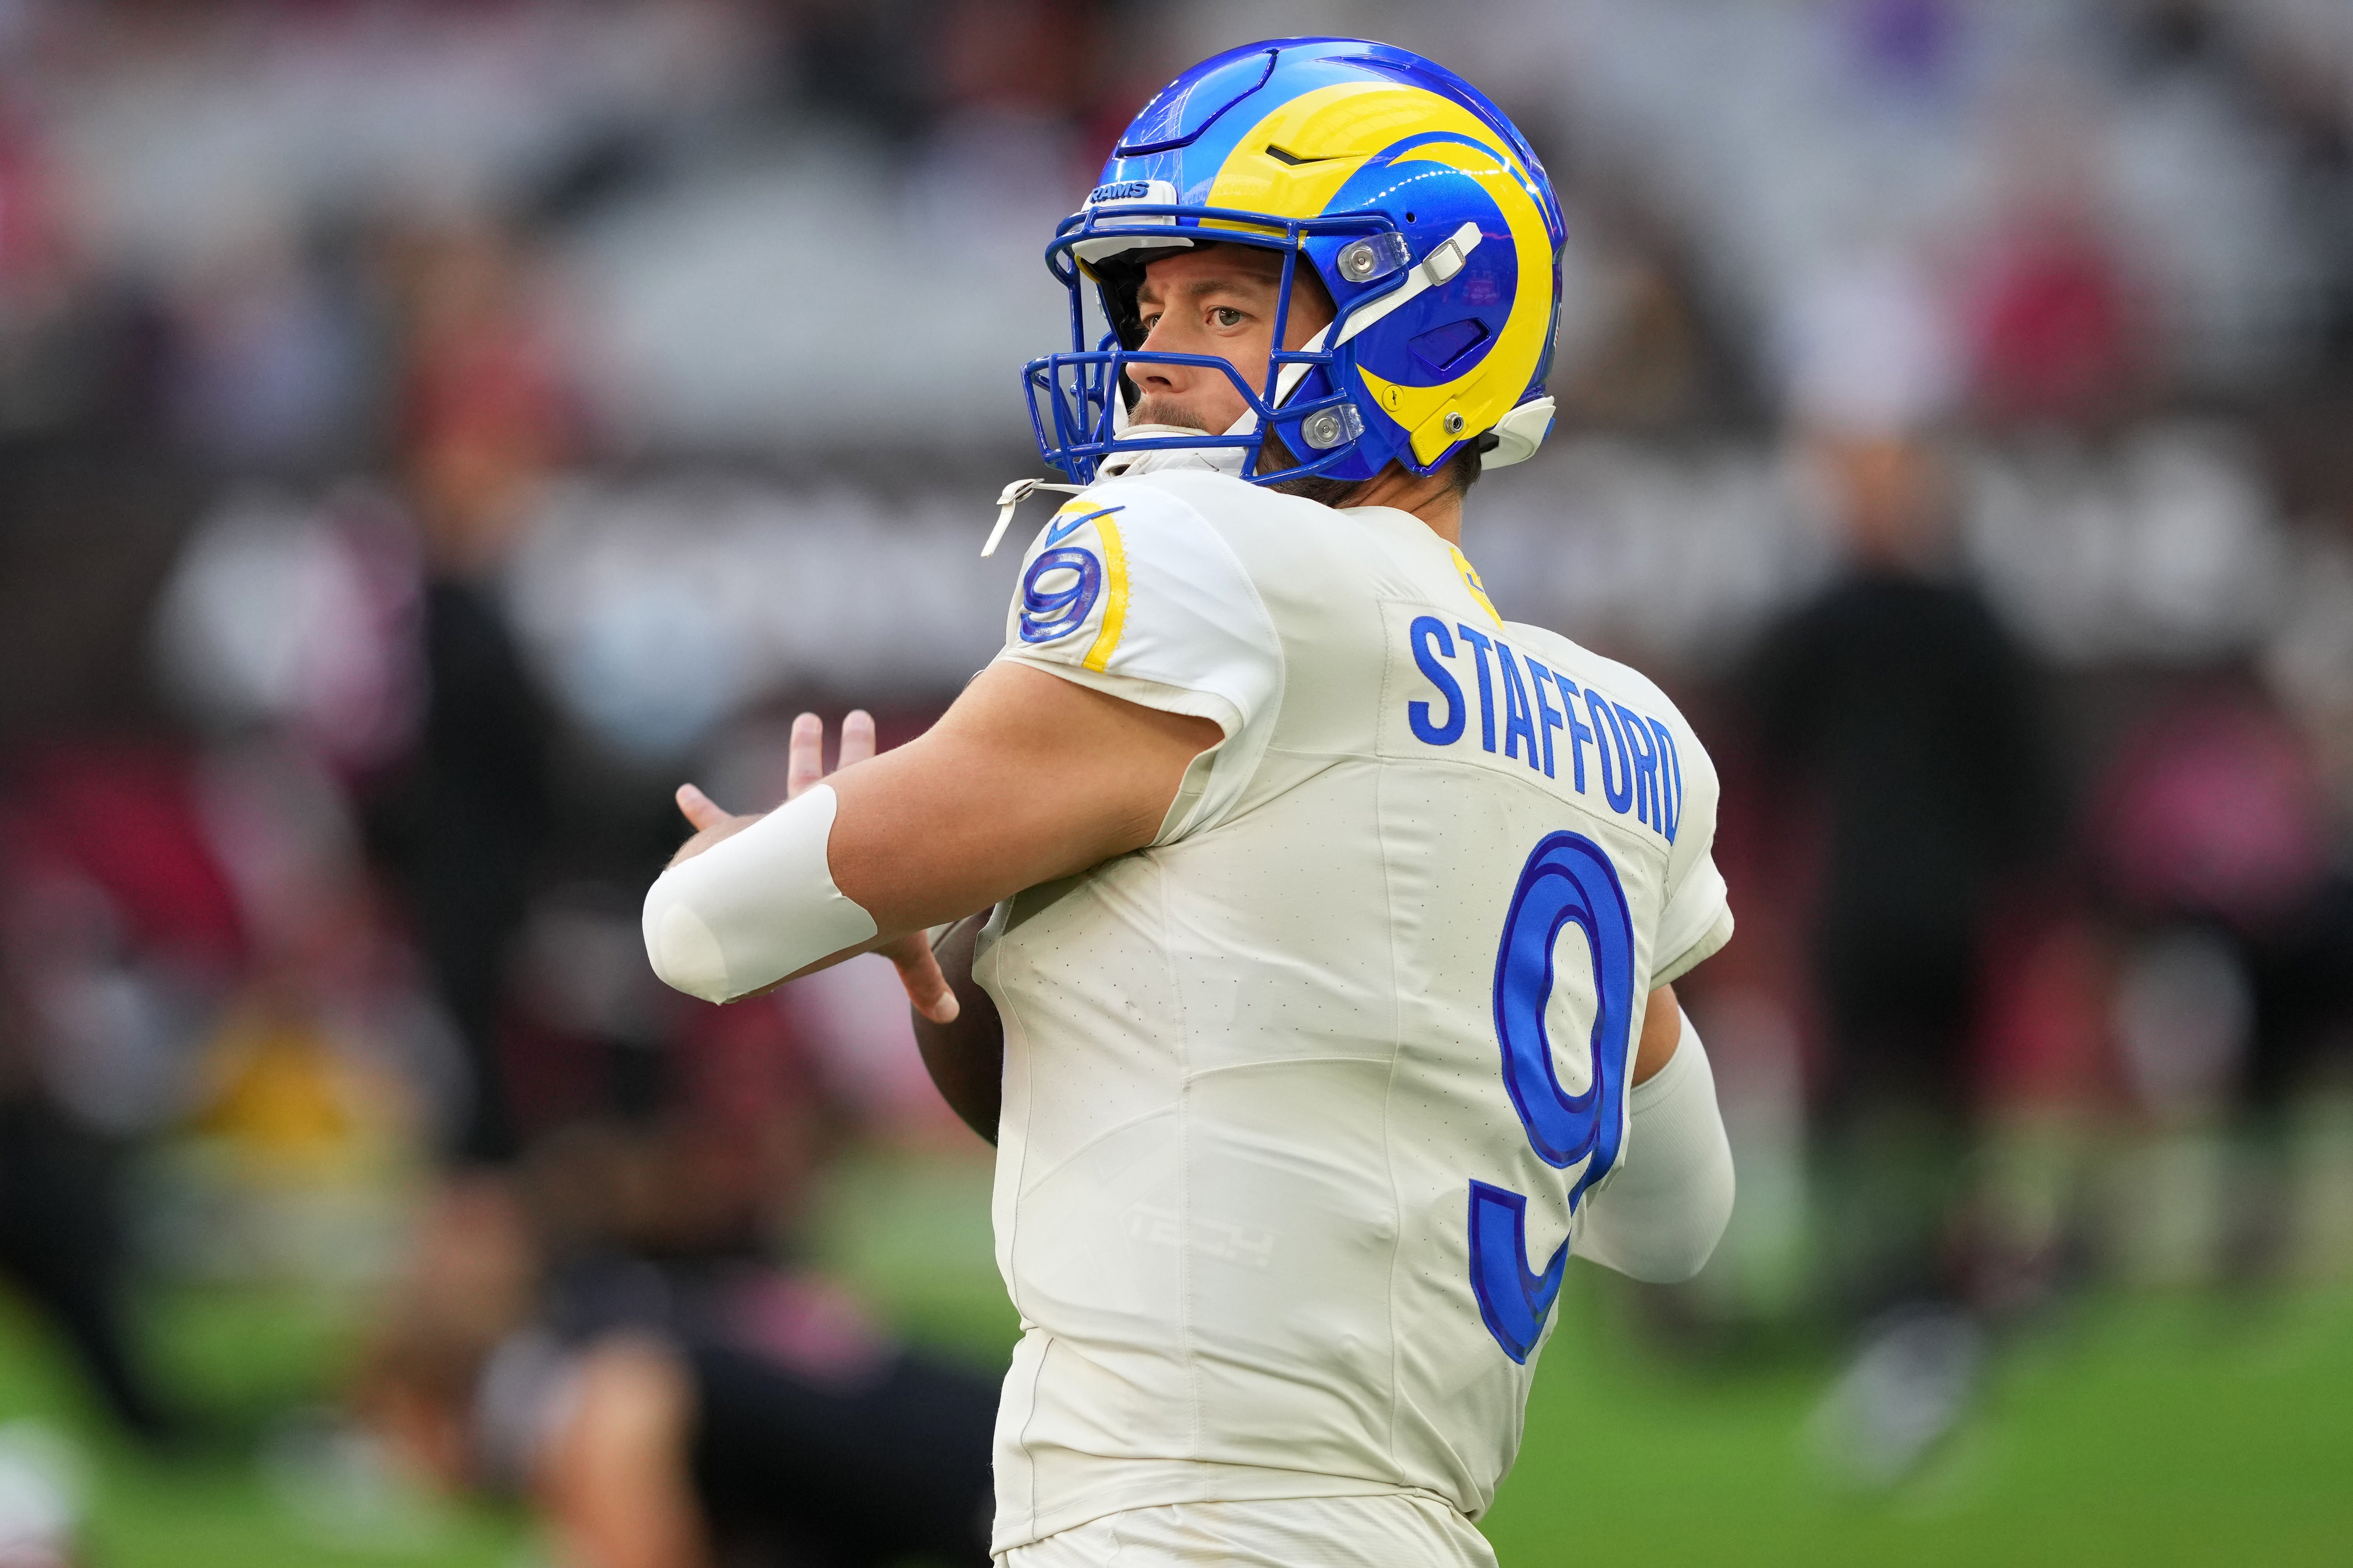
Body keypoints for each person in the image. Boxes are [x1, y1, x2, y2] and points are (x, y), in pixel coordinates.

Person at [642, 39, 1737, 1567]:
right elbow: (1674, 1216)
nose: (1157, 357)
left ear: (1428, 324)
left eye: (1226, 304)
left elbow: (700, 930)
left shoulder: (1221, 568)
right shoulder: (1624, 734)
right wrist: (945, 964)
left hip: (1160, 1521)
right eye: (1150, 307)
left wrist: (799, 853)